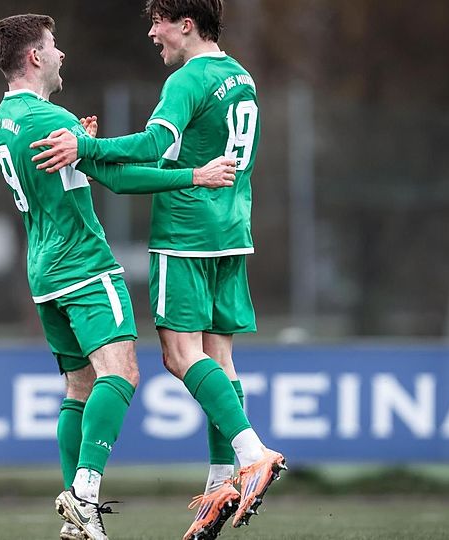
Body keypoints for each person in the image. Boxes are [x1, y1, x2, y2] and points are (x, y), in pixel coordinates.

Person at [29, 1, 286, 538]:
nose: (152, 34)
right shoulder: (242, 76)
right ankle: (221, 485)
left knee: (178, 354)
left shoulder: (189, 80)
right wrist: (92, 154)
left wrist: (86, 145)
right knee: (219, 359)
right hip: (233, 230)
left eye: (158, 23)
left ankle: (252, 452)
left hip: (186, 233)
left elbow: (155, 145)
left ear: (185, 25)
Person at [0, 13, 236, 540]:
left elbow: (70, 170)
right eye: (53, 47)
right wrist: (196, 174)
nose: (61, 55)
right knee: (120, 374)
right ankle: (83, 494)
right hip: (84, 265)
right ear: (34, 57)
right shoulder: (50, 121)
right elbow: (119, 179)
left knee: (79, 387)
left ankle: (81, 520)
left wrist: (84, 145)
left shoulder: (3, 119)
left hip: (44, 270)